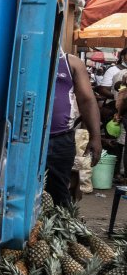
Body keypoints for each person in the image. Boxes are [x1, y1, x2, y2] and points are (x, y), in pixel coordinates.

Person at [46, 52, 101, 206]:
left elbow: (87, 100)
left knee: (59, 194)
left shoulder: (71, 62)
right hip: (22, 139)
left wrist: (96, 137)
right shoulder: (21, 55)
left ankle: (58, 228)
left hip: (59, 139)